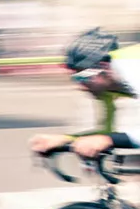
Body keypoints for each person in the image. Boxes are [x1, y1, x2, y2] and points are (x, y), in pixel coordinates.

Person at [30, 28, 140, 158]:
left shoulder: (134, 70)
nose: (80, 86)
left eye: (83, 77)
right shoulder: (106, 87)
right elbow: (108, 133)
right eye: (75, 78)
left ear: (104, 67)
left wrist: (108, 140)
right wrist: (66, 139)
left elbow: (108, 139)